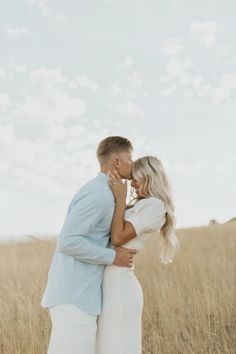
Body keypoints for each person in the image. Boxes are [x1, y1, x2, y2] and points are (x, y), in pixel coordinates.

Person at [40, 136, 137, 354]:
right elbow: (68, 241)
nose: (133, 164)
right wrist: (113, 257)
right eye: (130, 158)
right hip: (74, 298)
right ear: (116, 162)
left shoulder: (106, 192)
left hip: (80, 296)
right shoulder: (99, 194)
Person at [96, 156, 179, 354]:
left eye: (136, 178)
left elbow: (117, 238)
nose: (132, 184)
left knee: (115, 346)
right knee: (107, 345)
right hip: (111, 281)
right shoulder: (141, 205)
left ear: (150, 178)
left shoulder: (154, 206)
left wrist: (119, 200)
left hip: (119, 285)